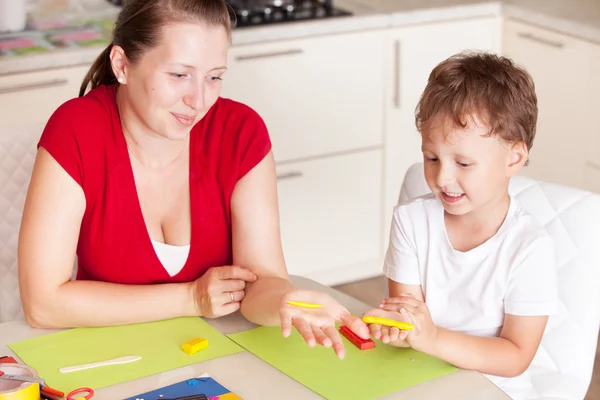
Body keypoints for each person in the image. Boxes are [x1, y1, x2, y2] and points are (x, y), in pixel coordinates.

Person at [17, 0, 368, 360]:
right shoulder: (76, 130)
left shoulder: (241, 133)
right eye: (178, 75)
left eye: (214, 76)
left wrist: (284, 300)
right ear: (122, 65)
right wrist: (192, 298)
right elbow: (43, 304)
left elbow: (260, 280)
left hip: (216, 356)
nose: (198, 100)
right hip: (105, 357)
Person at [362, 52, 559, 399]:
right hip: (420, 377)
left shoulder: (530, 247)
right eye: (432, 158)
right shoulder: (411, 221)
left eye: (464, 163)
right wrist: (399, 328)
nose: (442, 177)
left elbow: (515, 357)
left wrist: (432, 338)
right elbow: (409, 319)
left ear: (514, 157)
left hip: (494, 389)